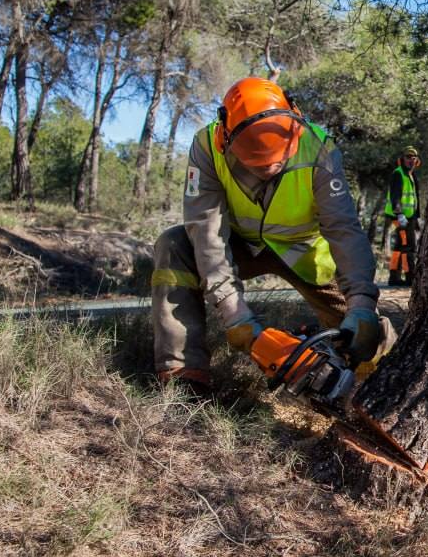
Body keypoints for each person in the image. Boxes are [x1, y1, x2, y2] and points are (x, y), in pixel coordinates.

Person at [150, 77, 395, 398]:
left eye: (278, 163)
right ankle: (183, 377)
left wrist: (361, 304)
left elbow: (343, 230)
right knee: (174, 244)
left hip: (306, 253)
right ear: (226, 135)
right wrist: (237, 317)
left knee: (363, 333)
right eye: (259, 165)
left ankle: (383, 382)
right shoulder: (207, 146)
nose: (270, 170)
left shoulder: (318, 147)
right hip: (240, 246)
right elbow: (206, 231)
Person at [382, 145, 421, 286]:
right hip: (400, 218)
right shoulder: (398, 174)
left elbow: (415, 198)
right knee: (407, 247)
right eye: (408, 157)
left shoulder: (411, 175)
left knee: (400, 247)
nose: (410, 160)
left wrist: (416, 217)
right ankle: (409, 277)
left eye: (413, 157)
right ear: (402, 160)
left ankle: (394, 277)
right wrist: (399, 214)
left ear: (417, 161)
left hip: (409, 218)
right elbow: (395, 196)